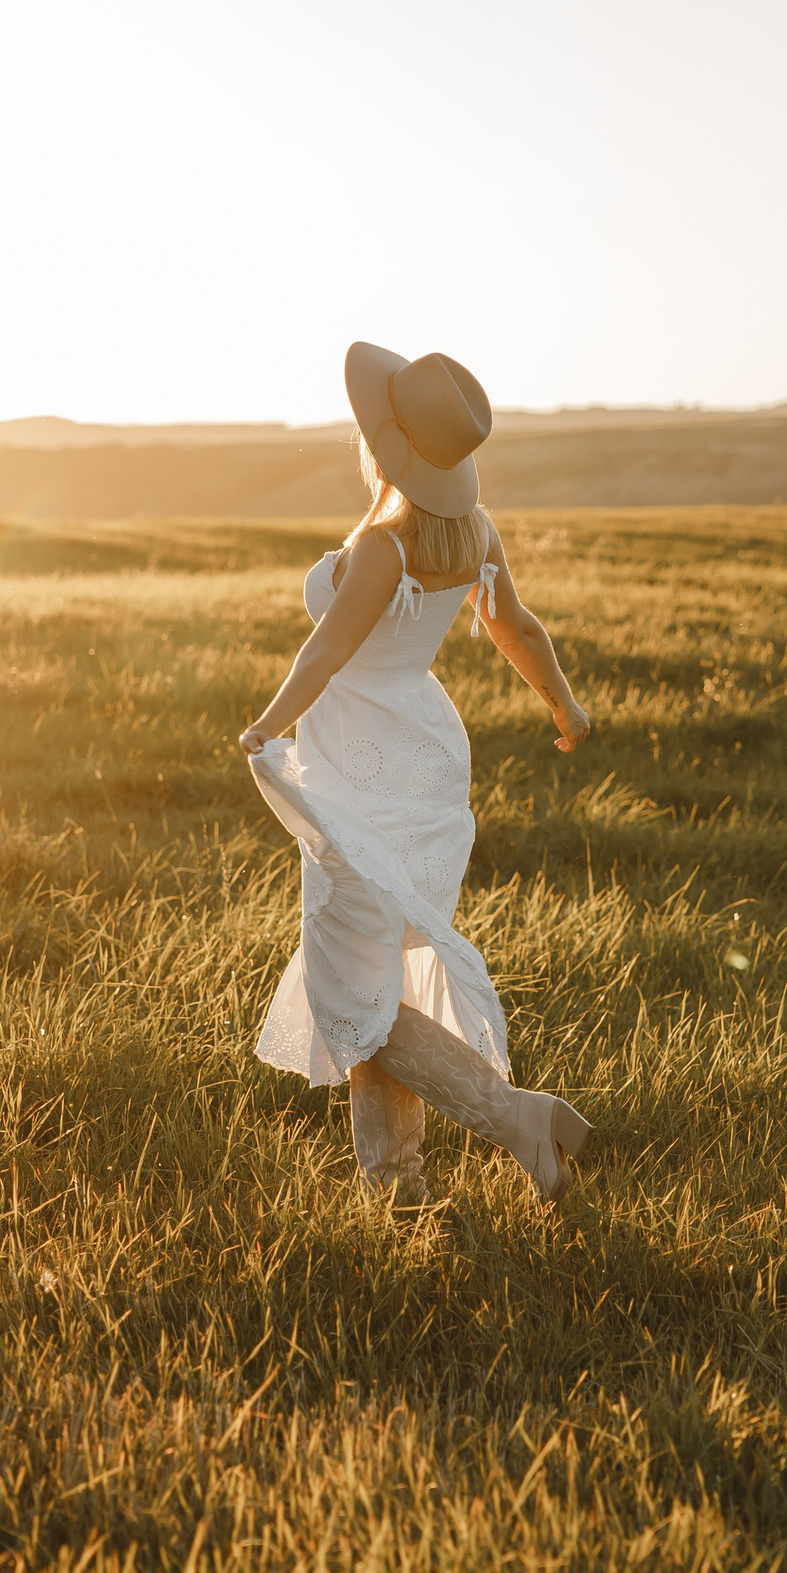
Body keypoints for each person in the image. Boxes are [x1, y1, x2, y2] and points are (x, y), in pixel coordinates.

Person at [239, 342, 594, 1205]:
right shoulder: (474, 532)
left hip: (358, 768)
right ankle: (399, 1186)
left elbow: (325, 653)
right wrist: (565, 705)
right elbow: (519, 629)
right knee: (376, 976)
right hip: (425, 759)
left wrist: (266, 725)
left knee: (348, 985)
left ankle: (513, 1118)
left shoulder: (383, 548)